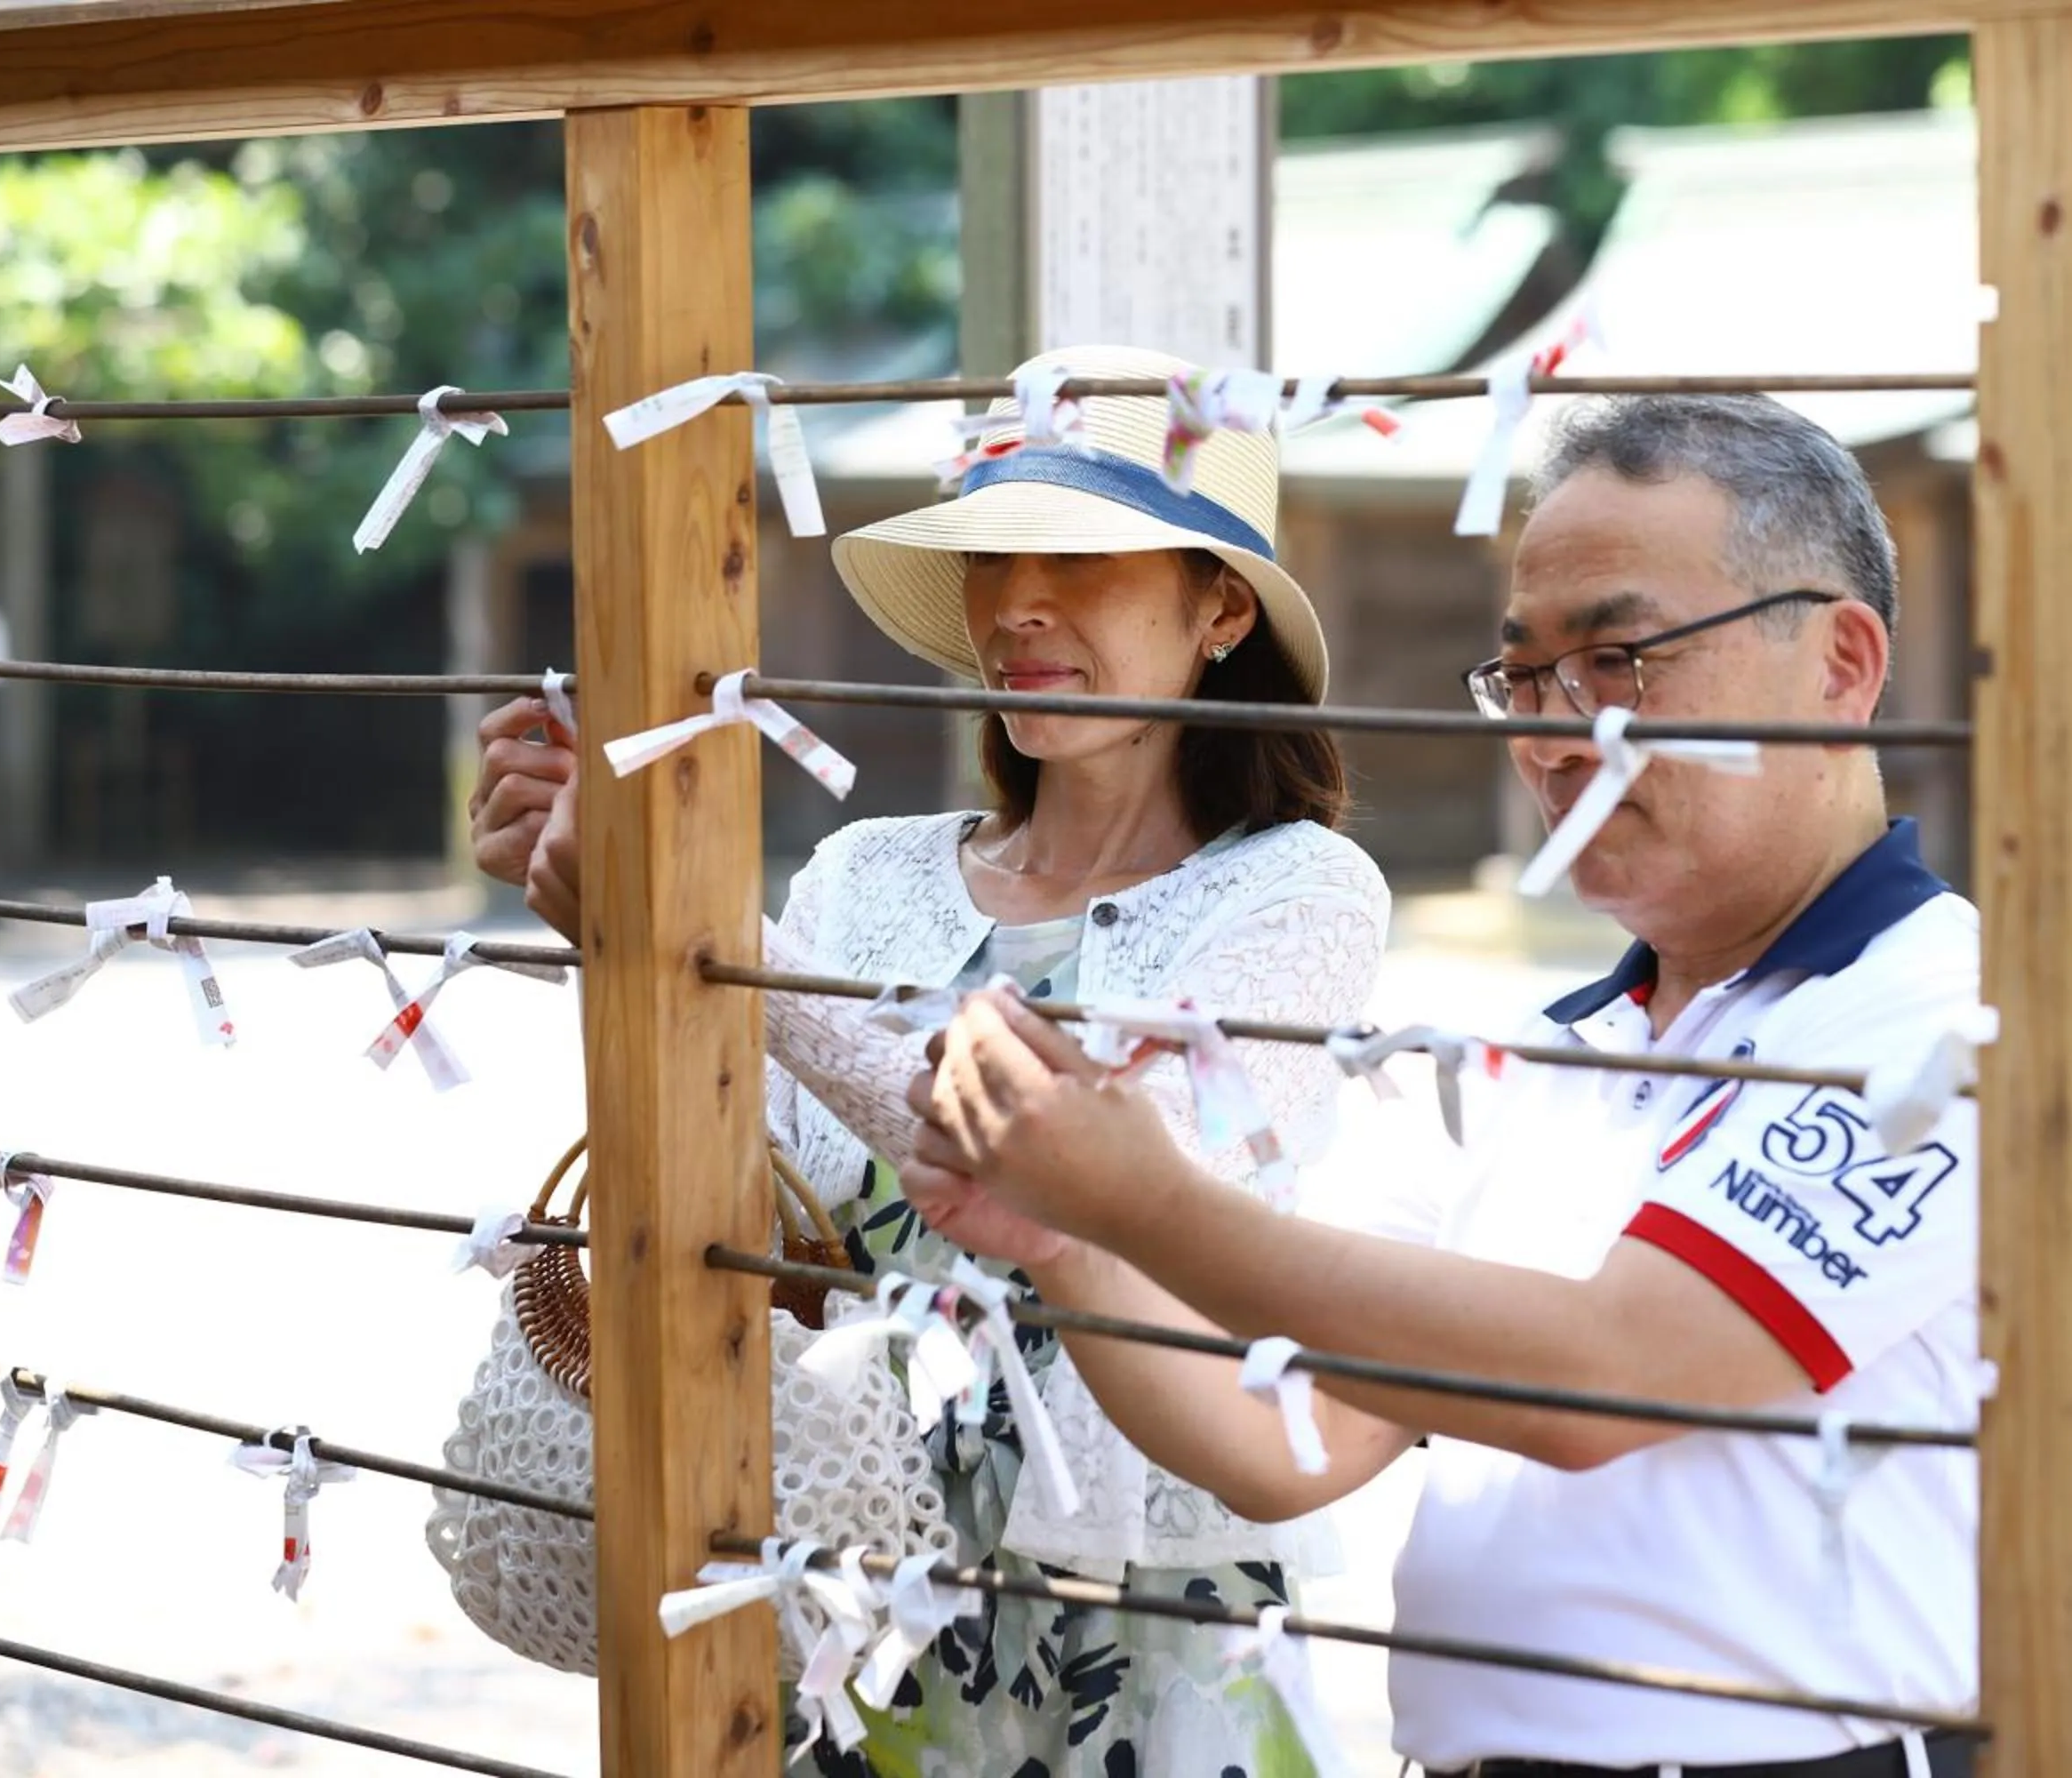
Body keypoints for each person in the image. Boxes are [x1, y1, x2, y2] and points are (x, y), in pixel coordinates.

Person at [900, 395, 1987, 1778]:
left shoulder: (1933, 1017)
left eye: (1620, 659)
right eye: (1525, 675)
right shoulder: (1536, 1050)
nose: (1550, 734)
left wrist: (1139, 1198)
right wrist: (1071, 1244)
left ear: (1840, 663)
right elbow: (1285, 1439)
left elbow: (1609, 1374)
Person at [467, 343, 1391, 1778]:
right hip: (849, 1601)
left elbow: (1090, 1175)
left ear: (1221, 607)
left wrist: (726, 954)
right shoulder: (861, 877)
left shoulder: (1302, 897)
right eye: (990, 554)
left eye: (1078, 556)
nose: (1017, 603)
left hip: (1144, 1625)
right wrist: (610, 930)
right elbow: (751, 1205)